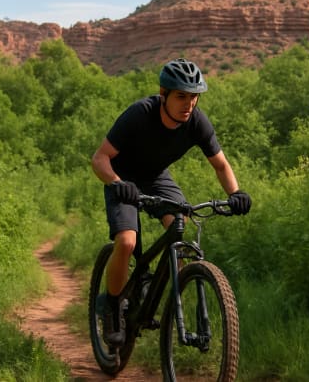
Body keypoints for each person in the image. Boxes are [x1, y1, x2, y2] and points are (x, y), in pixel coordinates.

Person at [90, 58, 252, 347]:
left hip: (155, 177)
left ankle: (152, 288)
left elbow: (220, 165)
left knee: (180, 223)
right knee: (127, 242)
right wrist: (117, 183)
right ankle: (113, 307)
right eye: (181, 96)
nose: (188, 104)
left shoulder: (197, 123)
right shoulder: (140, 114)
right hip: (123, 177)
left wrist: (235, 194)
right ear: (164, 94)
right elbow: (100, 158)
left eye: (193, 97)